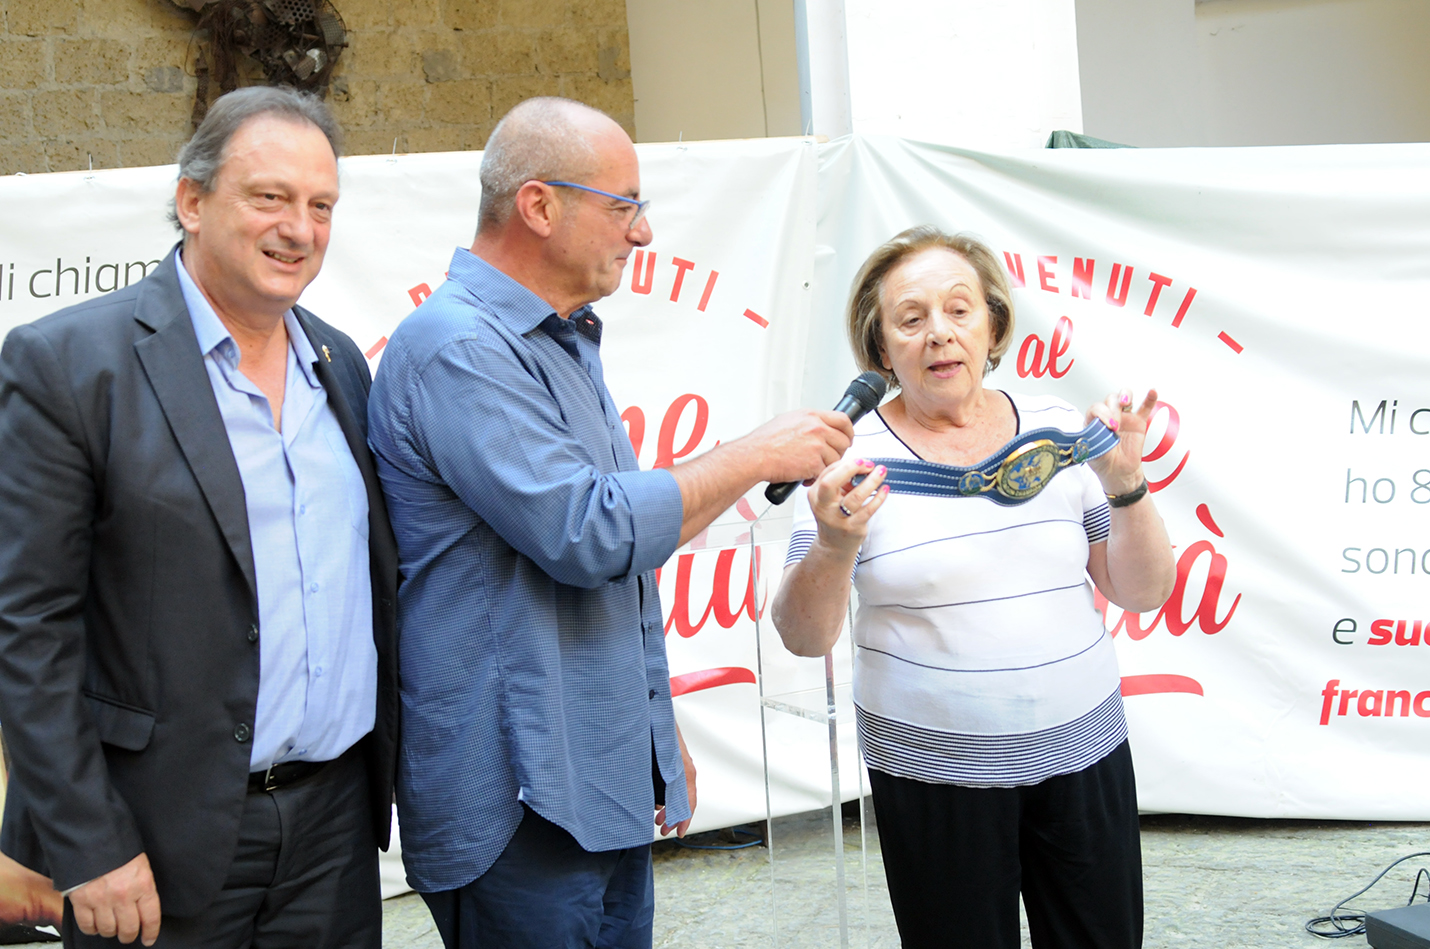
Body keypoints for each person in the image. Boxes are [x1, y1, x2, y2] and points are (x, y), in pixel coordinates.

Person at [366, 96, 853, 949]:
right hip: (516, 805)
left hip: (593, 784)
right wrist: (753, 454)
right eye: (623, 206)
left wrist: (652, 740)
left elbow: (624, 563)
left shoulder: (557, 339)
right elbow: (590, 534)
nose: (642, 234)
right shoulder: (459, 346)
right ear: (539, 205)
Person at [0, 87, 398, 948]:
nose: (300, 228)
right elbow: (27, 624)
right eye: (270, 198)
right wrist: (87, 842)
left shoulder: (341, 367)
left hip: (332, 828)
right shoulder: (69, 366)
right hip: (151, 840)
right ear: (191, 199)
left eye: (320, 206)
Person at [771, 225, 1176, 949]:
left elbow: (1141, 590)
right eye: (911, 317)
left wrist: (1127, 486)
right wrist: (835, 543)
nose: (939, 334)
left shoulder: (1055, 428)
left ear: (993, 325)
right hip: (932, 774)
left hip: (1084, 754)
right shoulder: (849, 458)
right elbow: (804, 636)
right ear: (881, 347)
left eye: (959, 310)